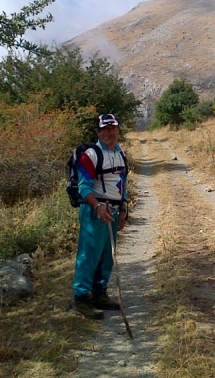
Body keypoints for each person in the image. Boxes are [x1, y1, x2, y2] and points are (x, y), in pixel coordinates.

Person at [72, 113, 129, 319]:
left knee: (106, 256)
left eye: (113, 128)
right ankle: (81, 298)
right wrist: (97, 207)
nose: (110, 133)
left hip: (112, 211)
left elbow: (123, 183)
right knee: (89, 255)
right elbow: (84, 186)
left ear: (118, 129)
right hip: (95, 212)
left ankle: (99, 293)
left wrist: (123, 209)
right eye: (105, 130)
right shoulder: (91, 155)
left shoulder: (120, 153)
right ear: (98, 132)